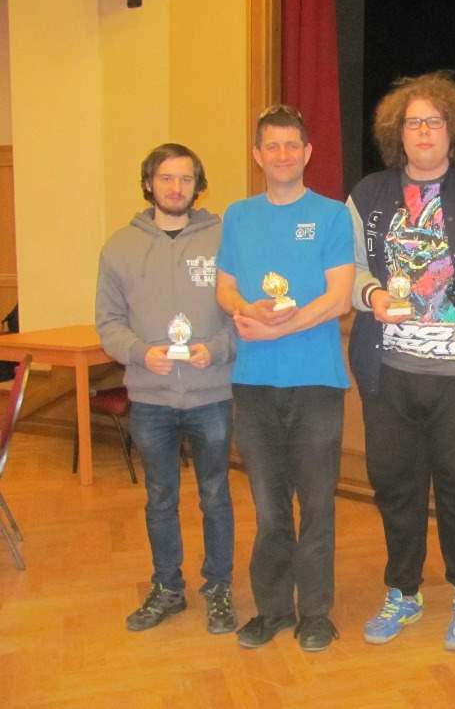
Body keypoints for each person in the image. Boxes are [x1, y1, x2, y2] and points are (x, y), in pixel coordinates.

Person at [347, 71, 455, 651]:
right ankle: (403, 591)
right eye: (413, 122)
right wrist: (370, 294)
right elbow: (349, 270)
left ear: (453, 129)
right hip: (389, 371)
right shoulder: (368, 194)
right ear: (397, 131)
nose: (423, 131)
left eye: (434, 121)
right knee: (394, 483)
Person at [216, 105, 354, 652]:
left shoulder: (331, 215)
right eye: (271, 146)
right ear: (257, 155)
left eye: (291, 145)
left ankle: (316, 614)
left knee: (316, 505)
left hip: (316, 382)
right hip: (253, 384)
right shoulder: (238, 215)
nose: (281, 155)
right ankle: (273, 609)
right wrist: (243, 306)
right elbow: (224, 288)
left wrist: (279, 327)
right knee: (270, 507)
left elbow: (339, 298)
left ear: (307, 153)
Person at [96, 143, 236, 634]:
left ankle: (219, 588)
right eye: (166, 178)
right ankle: (167, 588)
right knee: (159, 498)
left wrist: (216, 350)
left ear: (198, 186)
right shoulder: (119, 247)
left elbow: (242, 315)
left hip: (212, 394)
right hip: (150, 398)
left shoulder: (225, 240)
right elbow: (108, 323)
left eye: (185, 179)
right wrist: (139, 352)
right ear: (148, 183)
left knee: (215, 495)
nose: (176, 188)